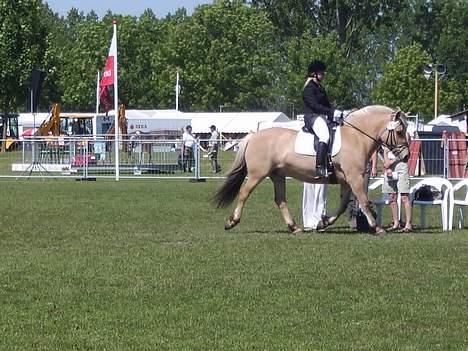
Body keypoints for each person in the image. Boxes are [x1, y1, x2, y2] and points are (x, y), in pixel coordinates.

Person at [303, 60, 335, 178]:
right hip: (312, 117)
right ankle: (319, 167)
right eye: (321, 73)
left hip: (322, 117)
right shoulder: (309, 89)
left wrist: (337, 111)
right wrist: (330, 111)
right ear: (314, 74)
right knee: (324, 136)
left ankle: (330, 162)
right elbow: (315, 106)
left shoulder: (320, 88)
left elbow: (327, 104)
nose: (323, 75)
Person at [382, 132, 412, 233]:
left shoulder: (404, 135)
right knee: (392, 197)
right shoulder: (387, 135)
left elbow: (405, 152)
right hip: (389, 166)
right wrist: (387, 166)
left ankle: (408, 224)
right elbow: (385, 151)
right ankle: (396, 223)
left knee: (404, 196)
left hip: (400, 165)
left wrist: (391, 162)